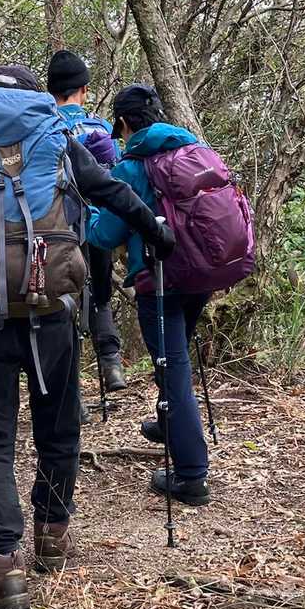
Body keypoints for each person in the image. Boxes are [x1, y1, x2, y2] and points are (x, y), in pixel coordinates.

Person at [0, 64, 173, 609]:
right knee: (58, 422)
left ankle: (2, 564)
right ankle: (51, 534)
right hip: (53, 306)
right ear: (33, 98)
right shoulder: (58, 138)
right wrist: (157, 232)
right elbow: (111, 190)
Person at [87, 84, 213, 506]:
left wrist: (88, 212)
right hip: (202, 272)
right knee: (173, 362)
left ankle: (191, 476)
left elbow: (104, 236)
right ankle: (168, 421)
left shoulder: (133, 167)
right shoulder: (194, 149)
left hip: (160, 280)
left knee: (173, 371)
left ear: (123, 122)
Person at [46, 50, 127, 394]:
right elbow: (118, 174)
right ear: (84, 89)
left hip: (58, 225)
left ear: (51, 90)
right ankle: (111, 363)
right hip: (98, 221)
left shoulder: (44, 127)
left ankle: (72, 392)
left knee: (64, 297)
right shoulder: (102, 128)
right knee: (101, 292)